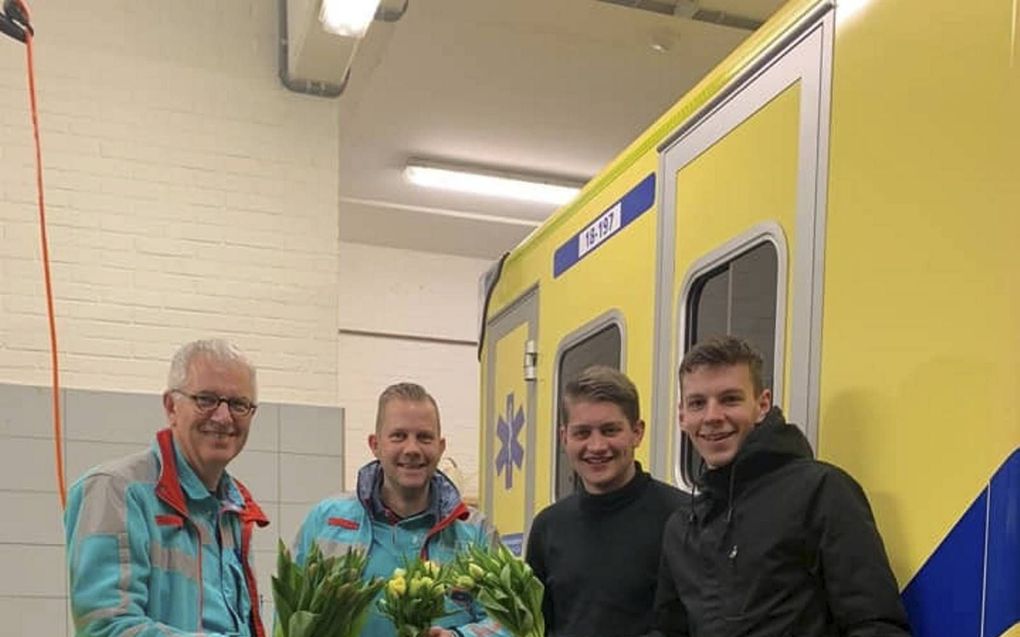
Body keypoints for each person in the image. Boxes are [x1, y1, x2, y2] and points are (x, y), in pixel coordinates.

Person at [654, 335, 911, 636]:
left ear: (762, 404)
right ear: (682, 416)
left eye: (730, 399)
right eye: (698, 403)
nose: (713, 416)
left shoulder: (821, 491)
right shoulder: (682, 528)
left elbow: (875, 625)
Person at [65, 338, 270, 636]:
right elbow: (108, 628)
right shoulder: (115, 492)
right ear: (172, 406)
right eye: (206, 399)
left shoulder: (234, 510)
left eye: (239, 404)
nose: (224, 417)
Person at [292, 382, 508, 637]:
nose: (412, 449)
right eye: (398, 436)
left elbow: (508, 622)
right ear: (375, 444)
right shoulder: (327, 521)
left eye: (424, 437)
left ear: (440, 447)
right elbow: (291, 614)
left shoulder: (475, 531)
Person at [525, 366, 686, 637]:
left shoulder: (681, 518)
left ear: (637, 432)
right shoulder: (548, 527)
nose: (597, 446)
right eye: (582, 433)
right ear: (564, 438)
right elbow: (535, 626)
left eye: (610, 430)